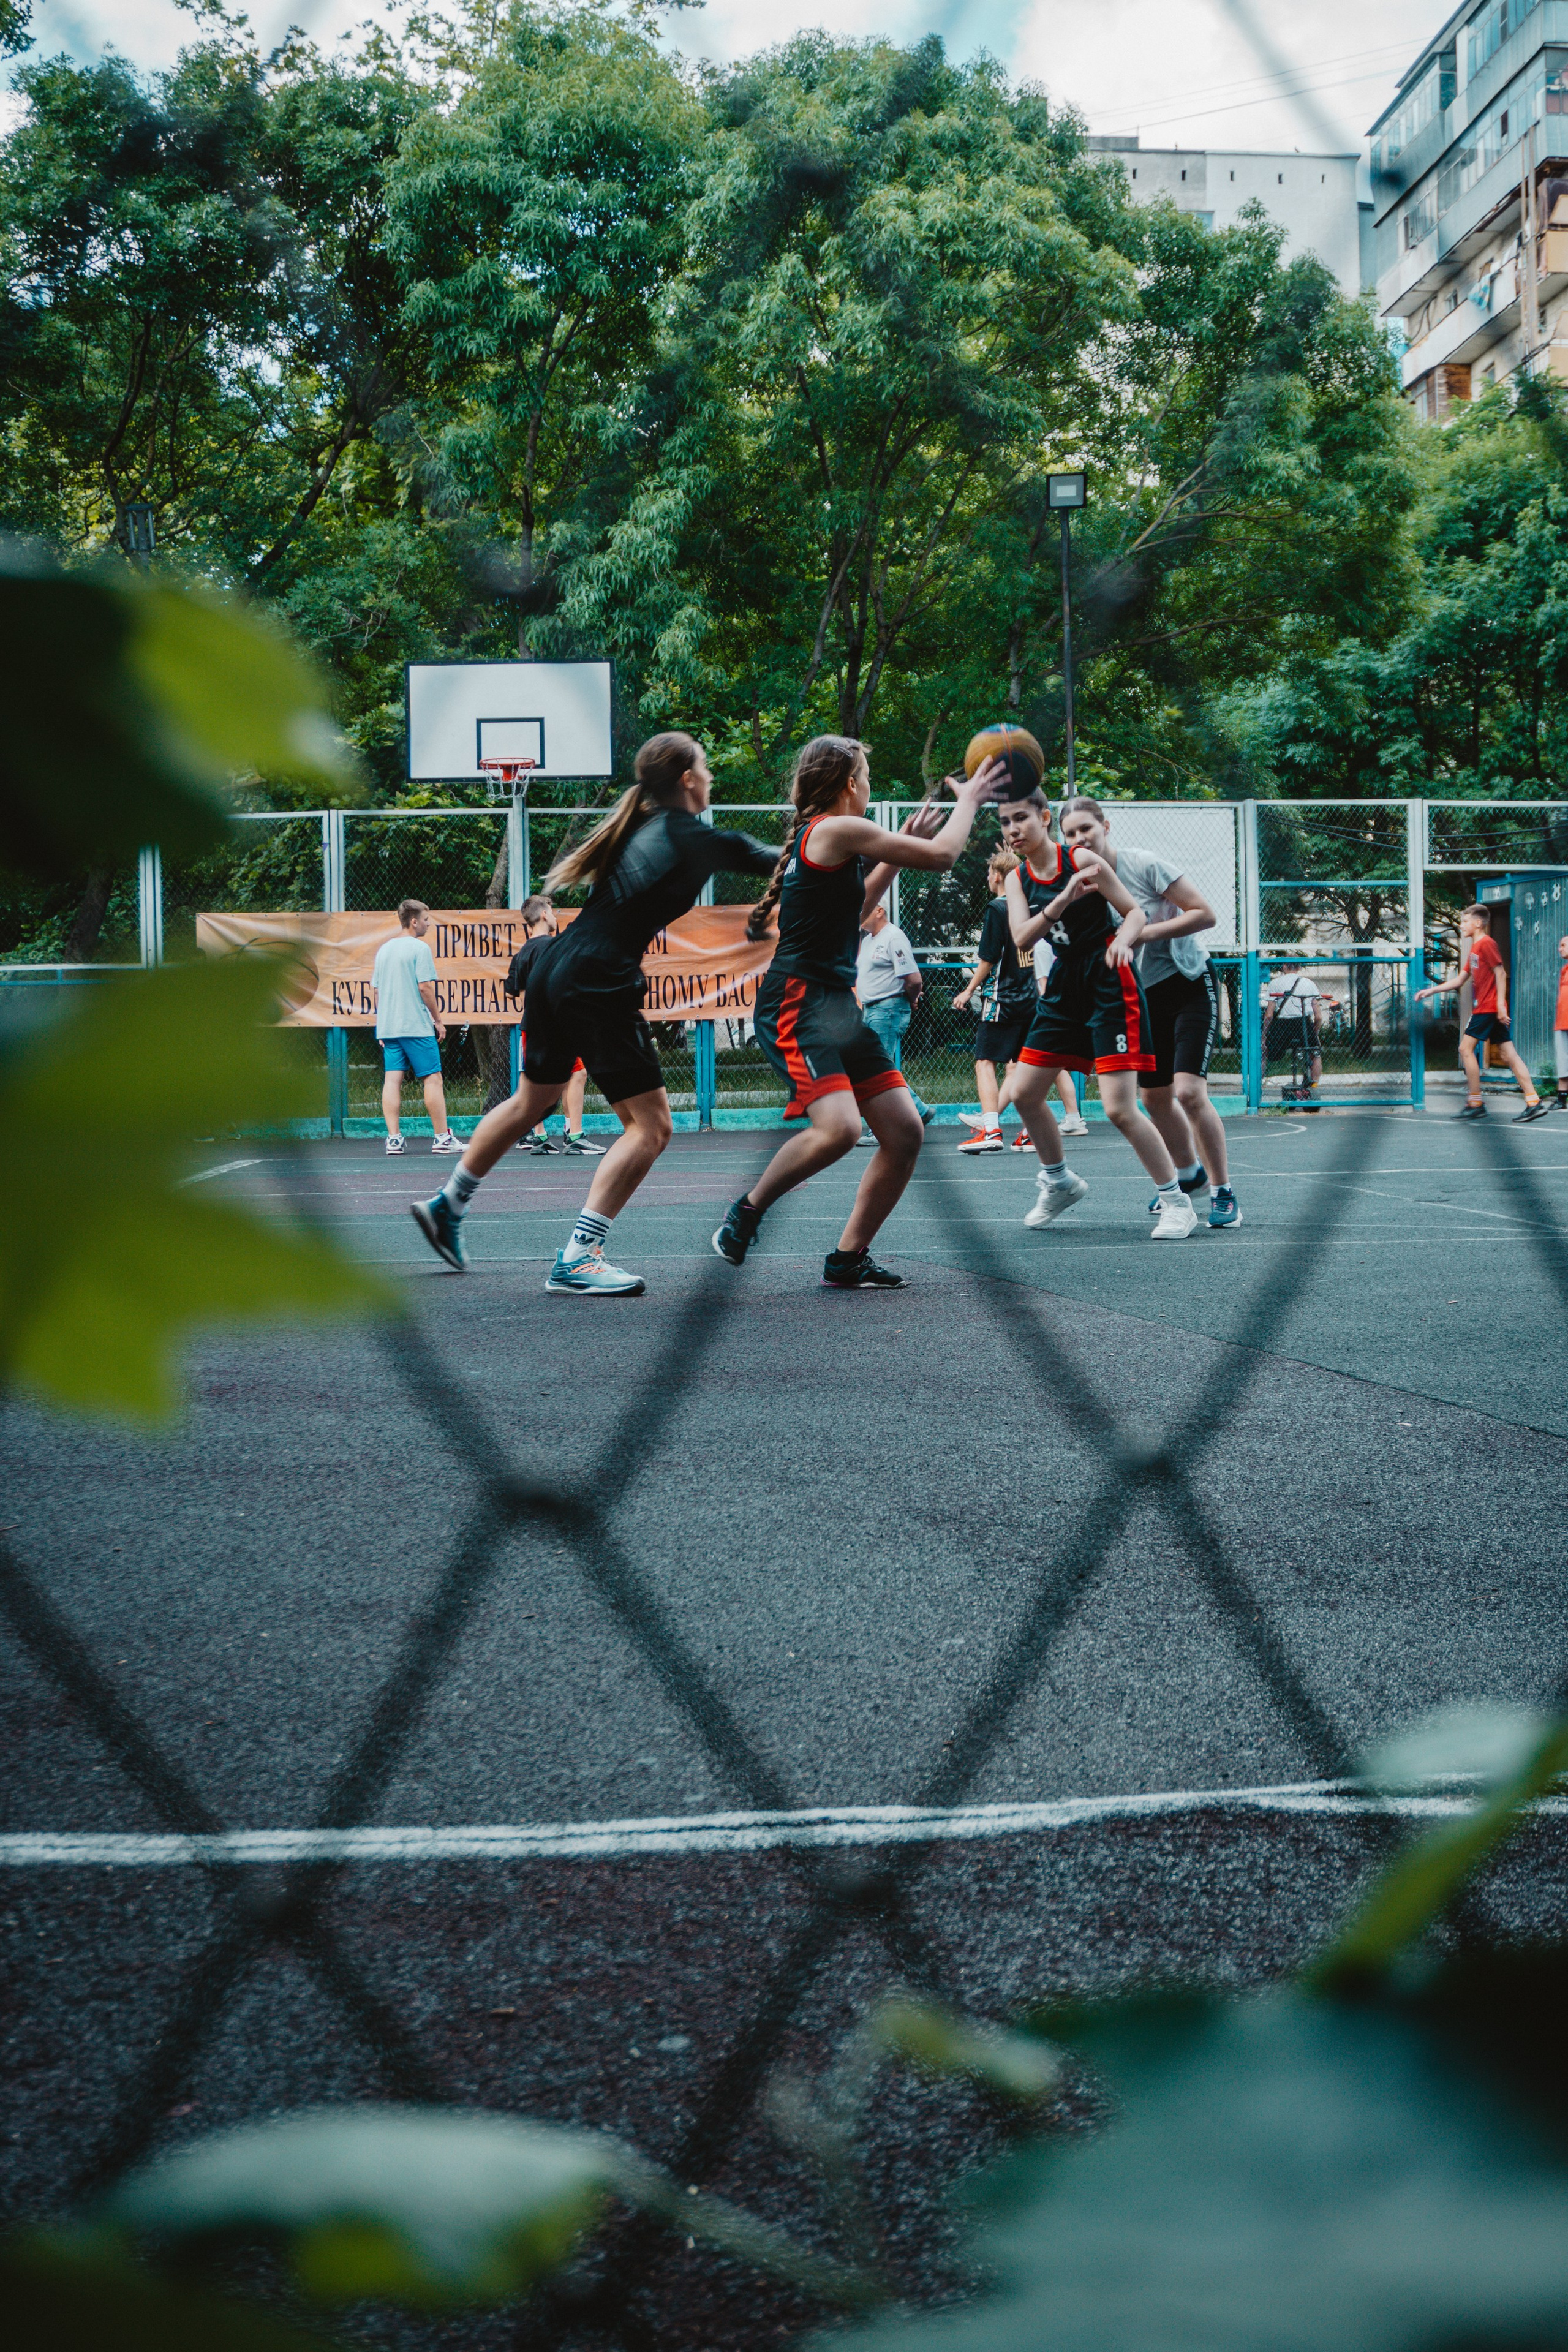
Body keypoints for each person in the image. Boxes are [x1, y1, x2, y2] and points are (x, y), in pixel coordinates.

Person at [410, 733, 778, 1289]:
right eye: (705, 768)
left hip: (557, 968)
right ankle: (579, 1256)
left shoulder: (641, 826)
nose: (710, 778)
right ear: (686, 779)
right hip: (596, 979)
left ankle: (448, 1204)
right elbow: (784, 861)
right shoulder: (689, 834)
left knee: (530, 1102)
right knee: (652, 1129)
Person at [710, 737, 1000, 1287]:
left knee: (905, 1131)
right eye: (866, 775)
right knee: (840, 1129)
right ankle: (745, 1213)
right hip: (797, 1004)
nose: (869, 786)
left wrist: (890, 859)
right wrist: (971, 801)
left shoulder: (822, 838)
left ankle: (848, 1257)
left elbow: (854, 913)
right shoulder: (835, 828)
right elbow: (944, 857)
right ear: (849, 783)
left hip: (836, 1006)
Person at [995, 782, 1199, 1240]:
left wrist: (1125, 943)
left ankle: (1176, 1202)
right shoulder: (1017, 878)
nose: (1013, 829)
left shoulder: (1084, 861)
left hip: (1108, 979)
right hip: (1065, 983)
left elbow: (1134, 913)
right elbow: (1023, 939)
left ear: (1045, 819)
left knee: (1119, 1108)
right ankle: (1058, 1180)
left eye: (1021, 819)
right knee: (1025, 1092)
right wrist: (1064, 899)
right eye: (1005, 822)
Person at [1057, 797, 1240, 1231]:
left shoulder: (1143, 866)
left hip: (1188, 981)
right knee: (1153, 1100)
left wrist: (1136, 932)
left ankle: (1223, 1191)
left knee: (1190, 1092)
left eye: (1087, 829)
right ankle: (1187, 1172)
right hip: (1140, 994)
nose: (1080, 839)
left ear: (1106, 826)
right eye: (1071, 834)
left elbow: (1205, 914)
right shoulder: (1076, 884)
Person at [952, 849, 1084, 1153]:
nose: (987, 878)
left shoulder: (997, 909)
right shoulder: (1031, 908)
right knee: (1025, 1066)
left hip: (1003, 997)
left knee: (985, 1062)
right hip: (1032, 998)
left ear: (998, 876)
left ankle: (990, 1130)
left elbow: (989, 957)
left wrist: (969, 989)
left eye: (989, 873)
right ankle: (1027, 1132)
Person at [1414, 904, 1548, 1122]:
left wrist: (1501, 1006)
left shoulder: (1487, 943)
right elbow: (1460, 980)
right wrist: (1431, 990)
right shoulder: (1475, 949)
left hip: (1488, 1008)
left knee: (1465, 1049)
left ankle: (1475, 1103)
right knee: (1508, 1055)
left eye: (1465, 921)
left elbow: (1501, 972)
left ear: (1478, 923)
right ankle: (1534, 1102)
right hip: (1488, 1009)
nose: (1462, 925)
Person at [503, 895, 606, 1158]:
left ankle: (539, 1137)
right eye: (552, 911)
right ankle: (575, 1136)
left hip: (532, 1025)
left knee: (537, 1082)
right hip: (557, 1024)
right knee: (578, 1074)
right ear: (544, 916)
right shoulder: (554, 947)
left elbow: (515, 993)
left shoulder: (523, 952)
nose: (555, 916)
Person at [372, 899, 459, 1156]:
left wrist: (382, 1024)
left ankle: (394, 1140)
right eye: (426, 919)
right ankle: (442, 1138)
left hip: (389, 1028)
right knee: (433, 1078)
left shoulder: (384, 950)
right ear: (414, 922)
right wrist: (438, 1020)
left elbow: (376, 991)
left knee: (392, 1080)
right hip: (416, 1026)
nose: (428, 923)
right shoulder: (419, 949)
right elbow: (425, 987)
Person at [854, 900, 933, 1136]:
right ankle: (919, 1110)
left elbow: (915, 980)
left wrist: (910, 1000)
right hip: (871, 1009)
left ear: (880, 911)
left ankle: (882, 1129)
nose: (859, 916)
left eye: (864, 911)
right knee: (880, 1067)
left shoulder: (893, 937)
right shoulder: (868, 941)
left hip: (888, 1009)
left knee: (877, 1070)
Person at [1262, 968, 1330, 1101]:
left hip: (1283, 1025)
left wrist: (1264, 1036)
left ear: (1284, 967)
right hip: (1303, 1023)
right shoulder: (1309, 984)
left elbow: (1269, 1014)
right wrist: (1314, 1033)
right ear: (1299, 967)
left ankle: (1258, 1085)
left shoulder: (1276, 983)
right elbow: (1319, 1017)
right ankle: (1313, 1086)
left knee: (1265, 1050)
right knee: (1315, 1053)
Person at [1556, 933, 1568, 1109]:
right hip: (1562, 1022)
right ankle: (1561, 1100)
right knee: (1563, 1061)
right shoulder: (1564, 970)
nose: (1560, 948)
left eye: (1564, 945)